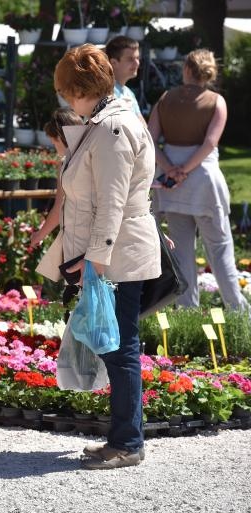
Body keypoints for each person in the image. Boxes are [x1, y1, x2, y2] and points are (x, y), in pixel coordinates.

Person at [54, 45, 160, 469]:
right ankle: (124, 438)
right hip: (114, 253)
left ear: (80, 89)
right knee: (118, 345)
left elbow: (112, 203)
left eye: (67, 91)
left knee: (120, 347)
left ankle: (128, 443)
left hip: (115, 257)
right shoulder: (108, 121)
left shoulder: (113, 127)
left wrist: (95, 262)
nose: (66, 99)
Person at [148, 49, 249, 312]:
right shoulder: (216, 101)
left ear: (186, 69)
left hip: (172, 187)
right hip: (203, 182)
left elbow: (150, 139)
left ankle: (187, 312)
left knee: (181, 252)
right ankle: (238, 312)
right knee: (220, 249)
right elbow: (210, 143)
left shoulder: (165, 99)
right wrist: (185, 169)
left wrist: (171, 169)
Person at [30, 108, 84, 248]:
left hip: (79, 236)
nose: (55, 148)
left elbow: (60, 206)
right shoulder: (93, 156)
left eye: (53, 143)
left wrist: (39, 235)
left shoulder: (65, 164)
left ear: (59, 138)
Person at [105, 35, 143, 121]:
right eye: (130, 59)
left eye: (137, 58)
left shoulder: (129, 93)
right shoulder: (104, 92)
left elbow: (142, 125)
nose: (137, 63)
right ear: (113, 63)